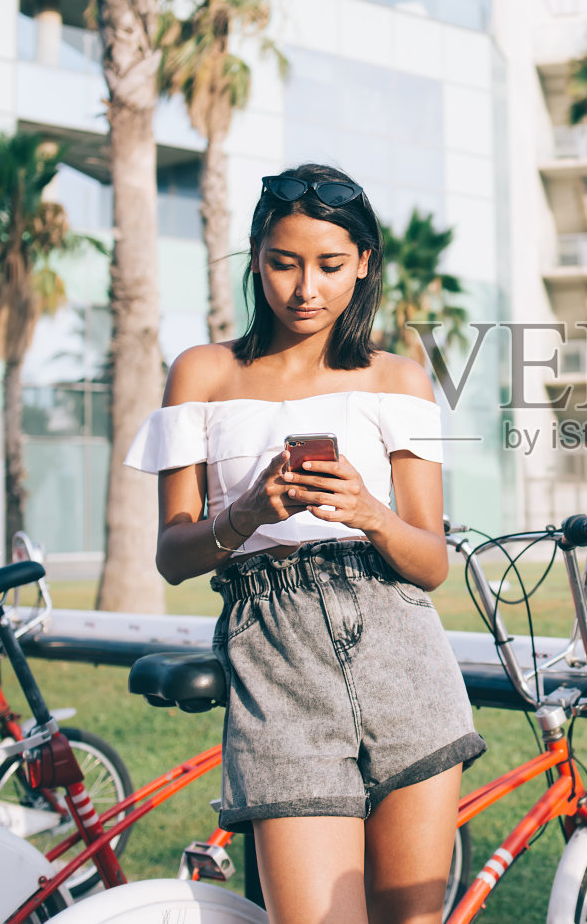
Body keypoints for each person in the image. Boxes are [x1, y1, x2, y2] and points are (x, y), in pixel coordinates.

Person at [124, 165, 486, 924]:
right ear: (256, 257)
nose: (305, 288)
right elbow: (172, 554)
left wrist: (372, 514)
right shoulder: (204, 371)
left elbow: (432, 562)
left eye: (329, 264)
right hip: (275, 667)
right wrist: (248, 511)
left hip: (402, 656)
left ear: (363, 262)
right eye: (284, 262)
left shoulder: (399, 378)